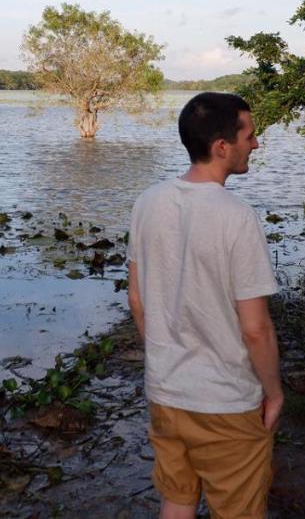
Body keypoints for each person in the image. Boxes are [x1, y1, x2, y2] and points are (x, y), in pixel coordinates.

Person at [127, 92, 282, 519]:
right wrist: (273, 392)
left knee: (176, 501)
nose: (256, 144)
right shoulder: (237, 217)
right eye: (249, 135)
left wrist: (165, 355)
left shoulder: (147, 203)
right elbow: (256, 329)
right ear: (221, 147)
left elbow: (138, 301)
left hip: (165, 392)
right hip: (225, 402)